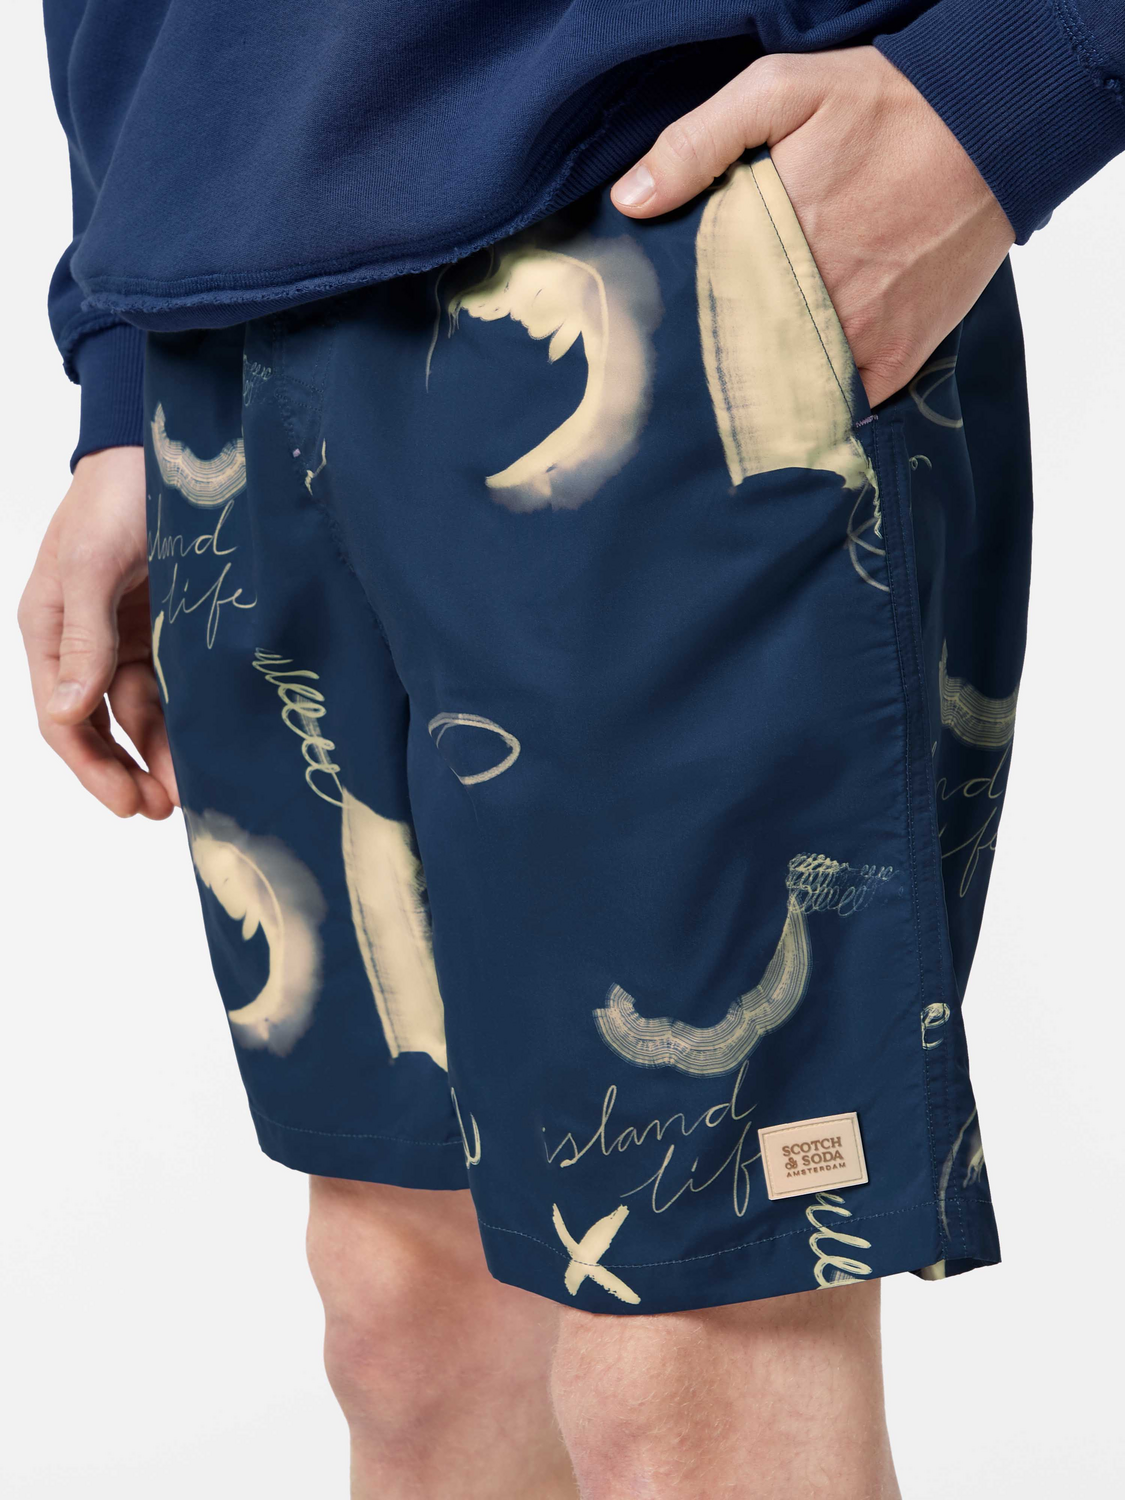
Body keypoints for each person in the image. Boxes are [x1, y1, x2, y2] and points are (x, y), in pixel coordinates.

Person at [19, 4, 1124, 1496]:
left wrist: (1023, 76)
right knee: (406, 1323)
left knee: (696, 1359)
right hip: (228, 293)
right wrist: (122, 378)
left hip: (656, 219)